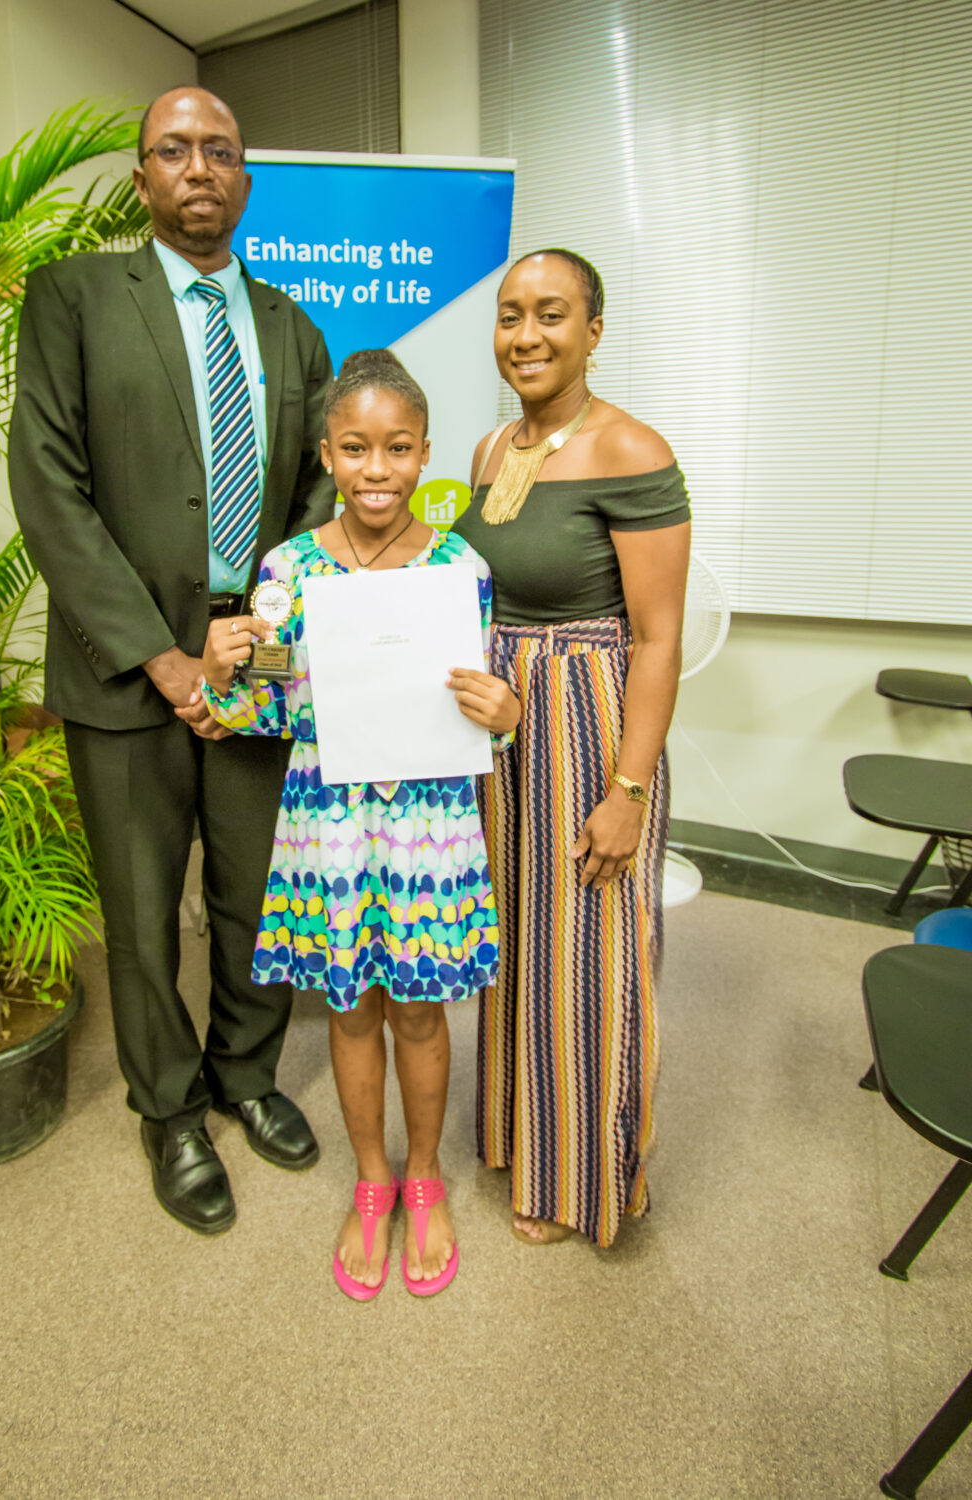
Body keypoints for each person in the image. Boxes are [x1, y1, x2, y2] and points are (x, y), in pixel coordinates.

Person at [8, 87, 335, 1235]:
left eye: (220, 151)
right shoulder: (74, 298)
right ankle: (169, 1108)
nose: (199, 167)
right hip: (125, 669)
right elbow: (48, 487)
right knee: (142, 910)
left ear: (245, 178)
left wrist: (257, 634)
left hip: (257, 663)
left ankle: (246, 1074)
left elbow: (316, 492)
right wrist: (164, 656)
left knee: (258, 894)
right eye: (175, 150)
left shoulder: (294, 326)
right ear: (142, 177)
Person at [200, 350, 520, 1297]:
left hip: (430, 827)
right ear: (327, 454)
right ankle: (372, 1180)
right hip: (329, 822)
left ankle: (425, 1177)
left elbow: (483, 707)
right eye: (355, 448)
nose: (376, 469)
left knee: (419, 1010)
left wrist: (504, 714)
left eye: (398, 448)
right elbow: (263, 710)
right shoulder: (287, 570)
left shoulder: (462, 569)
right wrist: (221, 671)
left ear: (424, 454)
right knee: (350, 1010)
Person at [453, 249, 690, 1249]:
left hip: (591, 728)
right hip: (503, 728)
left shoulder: (630, 448)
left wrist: (627, 789)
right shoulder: (488, 448)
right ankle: (525, 1142)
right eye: (510, 315)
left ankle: (590, 1178)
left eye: (551, 314)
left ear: (594, 331)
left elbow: (659, 638)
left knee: (591, 958)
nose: (526, 335)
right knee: (521, 946)